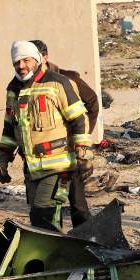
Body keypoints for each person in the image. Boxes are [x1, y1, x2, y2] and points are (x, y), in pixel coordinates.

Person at [0, 40, 93, 231]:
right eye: (17, 62)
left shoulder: (58, 83)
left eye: (26, 60)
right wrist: (2, 158)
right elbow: (9, 128)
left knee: (42, 214)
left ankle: (57, 254)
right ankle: (57, 254)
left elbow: (79, 119)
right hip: (32, 169)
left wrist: (84, 154)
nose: (21, 66)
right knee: (43, 220)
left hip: (58, 166)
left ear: (38, 60)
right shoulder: (13, 89)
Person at [29, 39, 98, 226]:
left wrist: (81, 137)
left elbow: (92, 103)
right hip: (47, 156)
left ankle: (84, 237)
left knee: (77, 201)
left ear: (44, 57)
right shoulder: (27, 85)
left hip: (70, 152)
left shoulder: (67, 78)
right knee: (50, 204)